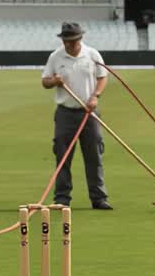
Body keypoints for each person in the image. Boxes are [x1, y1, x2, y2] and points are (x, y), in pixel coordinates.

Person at [41, 22, 111, 209]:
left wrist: (95, 96)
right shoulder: (56, 57)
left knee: (94, 155)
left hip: (89, 113)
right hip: (65, 114)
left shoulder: (92, 55)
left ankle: (99, 198)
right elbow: (45, 81)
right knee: (62, 155)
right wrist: (54, 81)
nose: (69, 45)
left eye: (72, 41)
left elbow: (103, 77)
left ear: (80, 38)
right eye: (66, 41)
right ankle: (62, 198)